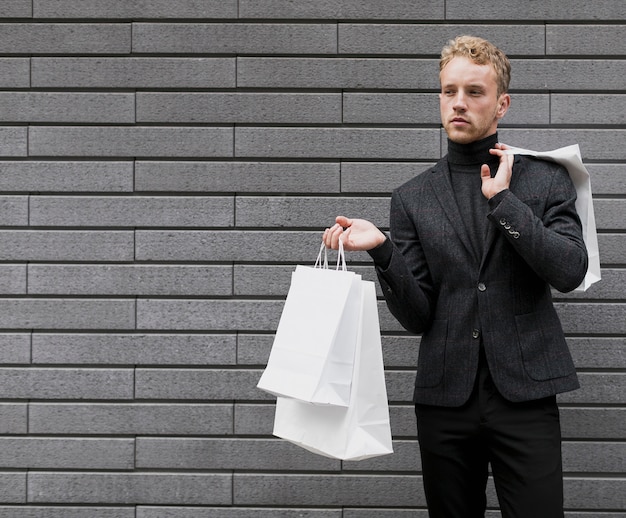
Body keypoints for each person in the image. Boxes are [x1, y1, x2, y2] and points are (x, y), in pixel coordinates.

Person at [323, 36, 588, 517]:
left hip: (525, 395)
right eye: (449, 92)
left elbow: (570, 271)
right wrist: (382, 251)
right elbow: (417, 315)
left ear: (502, 103)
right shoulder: (412, 198)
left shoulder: (547, 179)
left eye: (474, 91)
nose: (459, 103)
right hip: (446, 399)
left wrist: (503, 202)